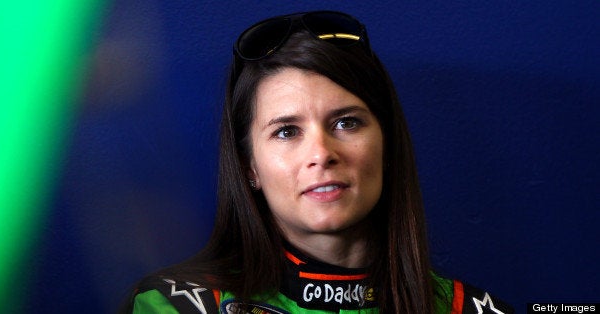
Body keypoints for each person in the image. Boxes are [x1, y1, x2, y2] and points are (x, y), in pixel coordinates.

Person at [122, 11, 513, 313]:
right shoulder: (175, 305)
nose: (321, 154)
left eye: (346, 123)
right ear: (249, 168)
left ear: (387, 145)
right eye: (287, 132)